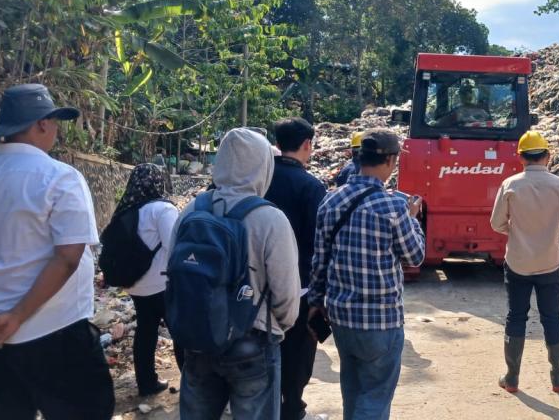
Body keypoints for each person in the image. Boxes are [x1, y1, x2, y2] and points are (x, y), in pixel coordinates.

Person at [0, 83, 116, 419]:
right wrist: (17, 317)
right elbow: (68, 257)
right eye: (55, 122)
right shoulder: (60, 178)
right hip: (55, 333)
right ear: (42, 124)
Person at [176, 127, 301, 419]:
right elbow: (286, 294)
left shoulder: (192, 209)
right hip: (253, 343)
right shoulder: (270, 218)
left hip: (198, 337)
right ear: (263, 166)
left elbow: (173, 272)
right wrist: (278, 325)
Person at [309, 129, 425, 420]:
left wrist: (315, 302)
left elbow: (319, 261)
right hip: (381, 321)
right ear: (390, 160)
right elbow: (414, 256)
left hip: (341, 317)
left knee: (353, 391)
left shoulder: (331, 201)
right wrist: (413, 219)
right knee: (374, 399)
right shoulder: (394, 206)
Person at [490, 131, 559, 394]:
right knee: (552, 317)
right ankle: (558, 377)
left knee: (516, 316)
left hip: (517, 262)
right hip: (550, 263)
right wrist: (552, 231)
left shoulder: (510, 185)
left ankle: (512, 377)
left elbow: (496, 223)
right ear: (548, 156)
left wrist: (518, 231)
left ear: (520, 157)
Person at [265, 117, 328, 420]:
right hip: (298, 286)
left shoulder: (260, 179)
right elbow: (319, 243)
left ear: (277, 144)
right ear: (306, 144)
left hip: (256, 283)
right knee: (298, 351)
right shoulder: (311, 186)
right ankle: (291, 406)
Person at [118, 163, 183, 396]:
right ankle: (192, 381)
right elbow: (174, 246)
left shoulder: (126, 208)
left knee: (146, 332)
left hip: (136, 284)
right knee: (180, 332)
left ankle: (146, 383)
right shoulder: (162, 209)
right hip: (163, 283)